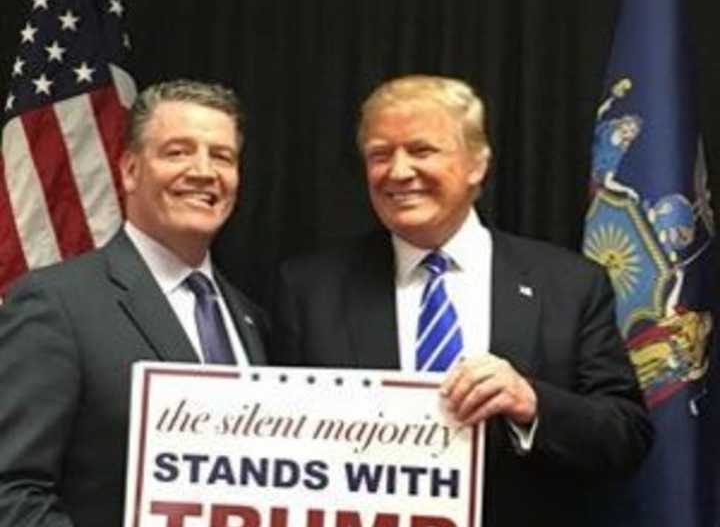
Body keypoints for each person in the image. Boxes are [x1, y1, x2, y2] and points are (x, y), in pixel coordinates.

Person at [271, 74, 653, 527]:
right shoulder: (309, 291)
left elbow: (626, 436)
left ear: (477, 163)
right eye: (379, 154)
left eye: (421, 150)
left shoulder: (567, 285)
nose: (397, 171)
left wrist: (531, 403)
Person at [0, 79, 267, 527]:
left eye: (221, 156)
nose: (203, 171)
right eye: (177, 152)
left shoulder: (250, 319)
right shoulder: (55, 304)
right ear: (129, 170)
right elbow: (11, 493)